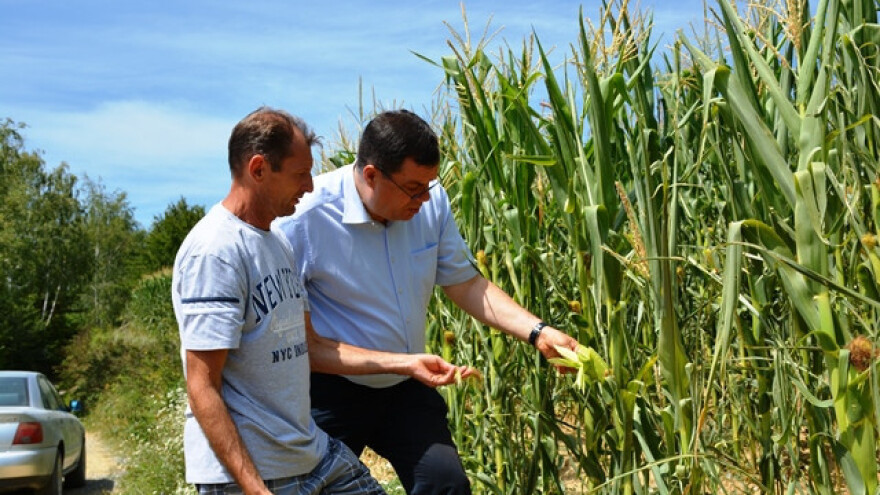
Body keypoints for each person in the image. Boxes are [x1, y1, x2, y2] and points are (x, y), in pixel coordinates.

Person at [274, 109, 579, 495]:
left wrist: (538, 332)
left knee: (446, 484)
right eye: (413, 188)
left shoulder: (431, 202)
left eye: (429, 186)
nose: (424, 198)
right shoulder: (303, 219)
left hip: (406, 383)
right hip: (332, 390)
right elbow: (301, 342)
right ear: (371, 175)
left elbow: (466, 283)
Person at [172, 107, 475, 495]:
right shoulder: (215, 251)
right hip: (248, 472)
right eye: (300, 174)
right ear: (259, 169)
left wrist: (408, 363)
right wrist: (255, 489)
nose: (311, 186)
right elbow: (202, 385)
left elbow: (311, 345)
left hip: (307, 452)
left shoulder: (277, 243)